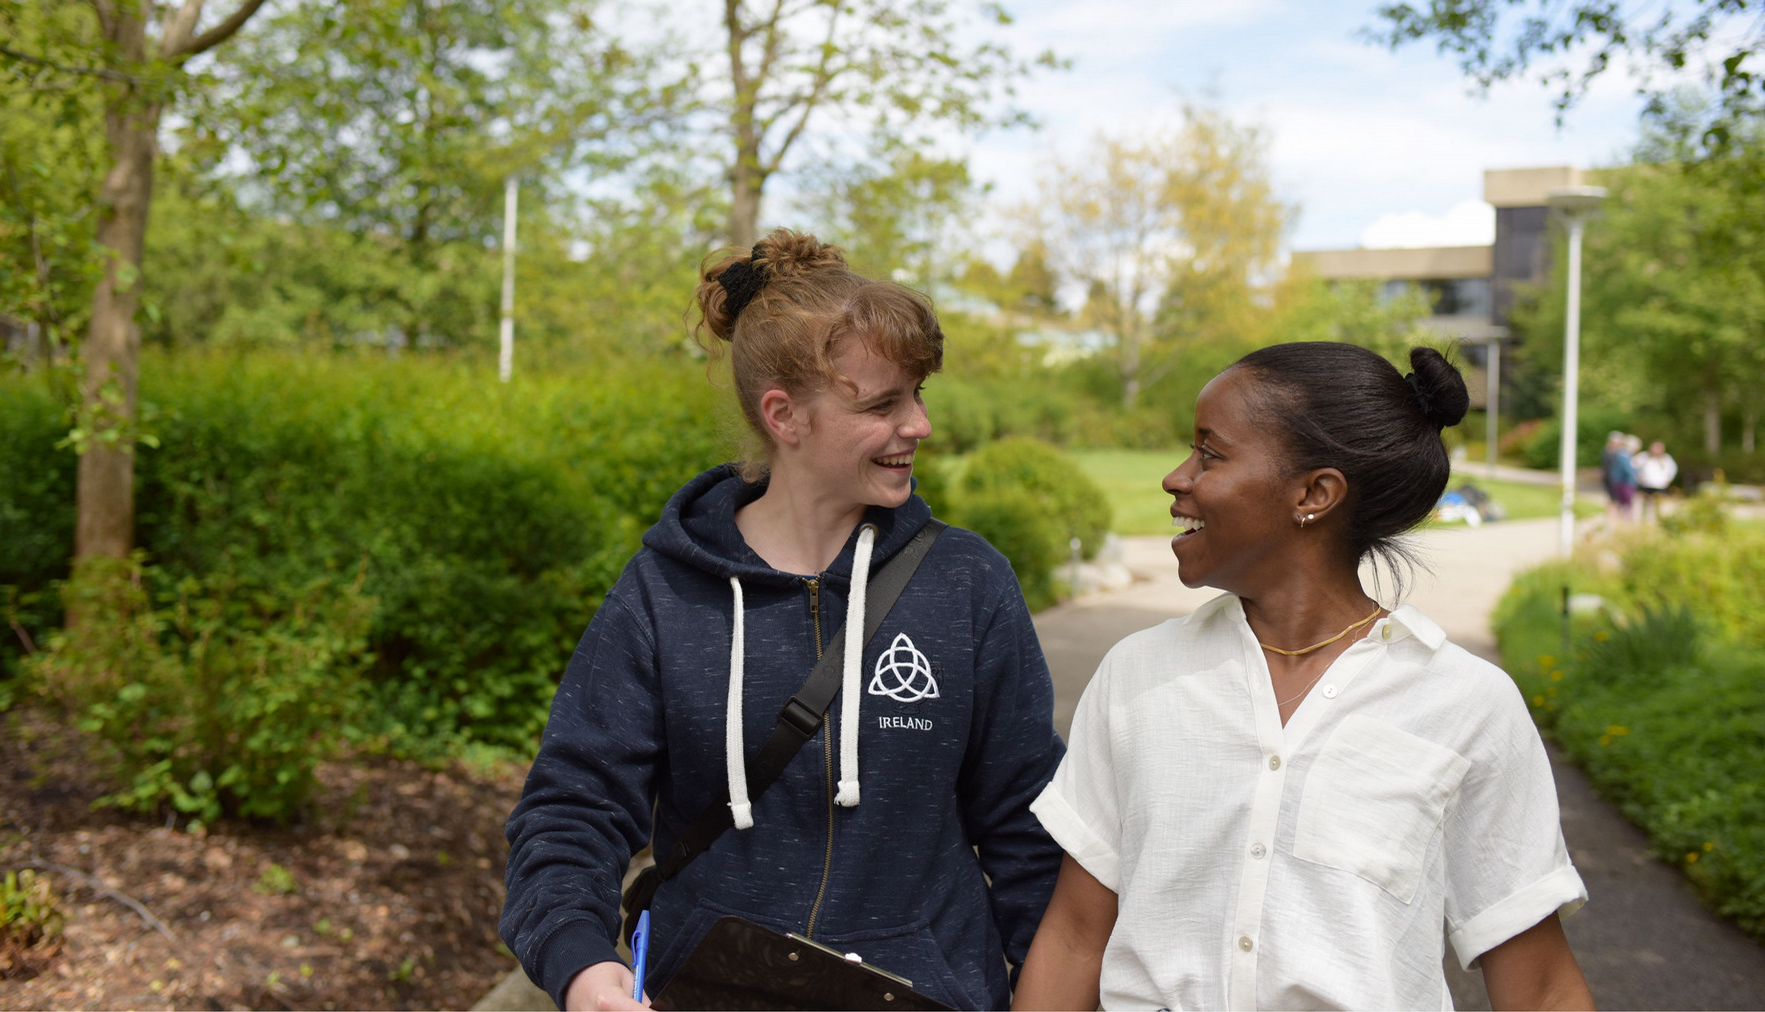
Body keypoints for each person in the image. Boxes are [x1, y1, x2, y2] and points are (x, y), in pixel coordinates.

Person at [501, 230, 1065, 1011]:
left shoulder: (966, 584)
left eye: (919, 394)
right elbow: (571, 809)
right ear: (785, 416)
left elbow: (1032, 835)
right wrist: (581, 965)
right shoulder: (665, 590)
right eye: (883, 404)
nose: (921, 426)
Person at [1013, 342, 1593, 1011]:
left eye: (1210, 452)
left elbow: (1542, 988)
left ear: (1314, 493)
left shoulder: (1467, 705)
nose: (1177, 478)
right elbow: (1076, 939)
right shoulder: (1137, 677)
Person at [1633, 440, 1678, 522]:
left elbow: (1673, 470)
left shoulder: (1666, 459)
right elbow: (1633, 467)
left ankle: (1657, 521)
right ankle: (1644, 520)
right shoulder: (1644, 457)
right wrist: (1638, 478)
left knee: (1659, 504)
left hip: (1660, 485)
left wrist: (1669, 480)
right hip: (1646, 485)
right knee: (1645, 504)